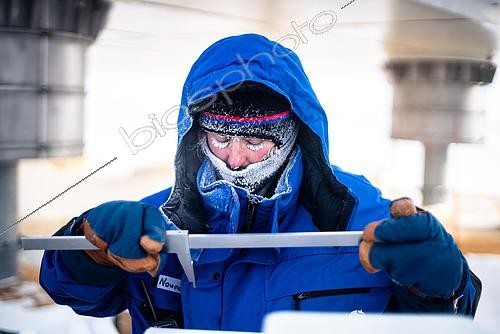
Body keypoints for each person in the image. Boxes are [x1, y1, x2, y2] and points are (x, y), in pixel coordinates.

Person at [39, 34, 481, 334]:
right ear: (197, 134)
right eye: (221, 137)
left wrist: (441, 284)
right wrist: (86, 247)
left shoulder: (366, 223)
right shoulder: (159, 221)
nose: (234, 158)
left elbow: (448, 318)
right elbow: (71, 292)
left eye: (255, 141)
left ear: (294, 136)